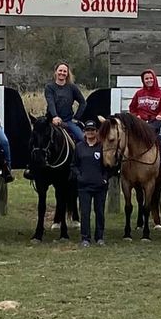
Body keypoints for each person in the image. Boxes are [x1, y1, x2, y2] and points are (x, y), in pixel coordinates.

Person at [71, 118, 108, 246]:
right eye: (87, 130)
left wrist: (104, 179)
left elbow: (108, 166)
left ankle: (99, 237)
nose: (90, 132)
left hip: (100, 186)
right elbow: (73, 165)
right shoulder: (79, 147)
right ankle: (85, 238)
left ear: (97, 131)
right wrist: (79, 176)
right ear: (84, 132)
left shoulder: (102, 146)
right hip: (84, 186)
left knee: (100, 212)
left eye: (92, 130)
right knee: (85, 213)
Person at [45, 61, 87, 144]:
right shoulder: (49, 87)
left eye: (65, 71)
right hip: (52, 120)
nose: (62, 73)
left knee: (82, 139)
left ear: (67, 73)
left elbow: (83, 102)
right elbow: (51, 102)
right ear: (56, 72)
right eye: (60, 70)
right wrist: (55, 116)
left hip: (68, 121)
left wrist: (76, 118)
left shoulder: (72, 87)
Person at [128, 68, 161, 141]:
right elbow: (132, 107)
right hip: (140, 121)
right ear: (143, 81)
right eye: (146, 79)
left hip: (154, 121)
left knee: (153, 135)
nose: (149, 80)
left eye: (151, 78)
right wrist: (136, 115)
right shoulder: (139, 93)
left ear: (154, 79)